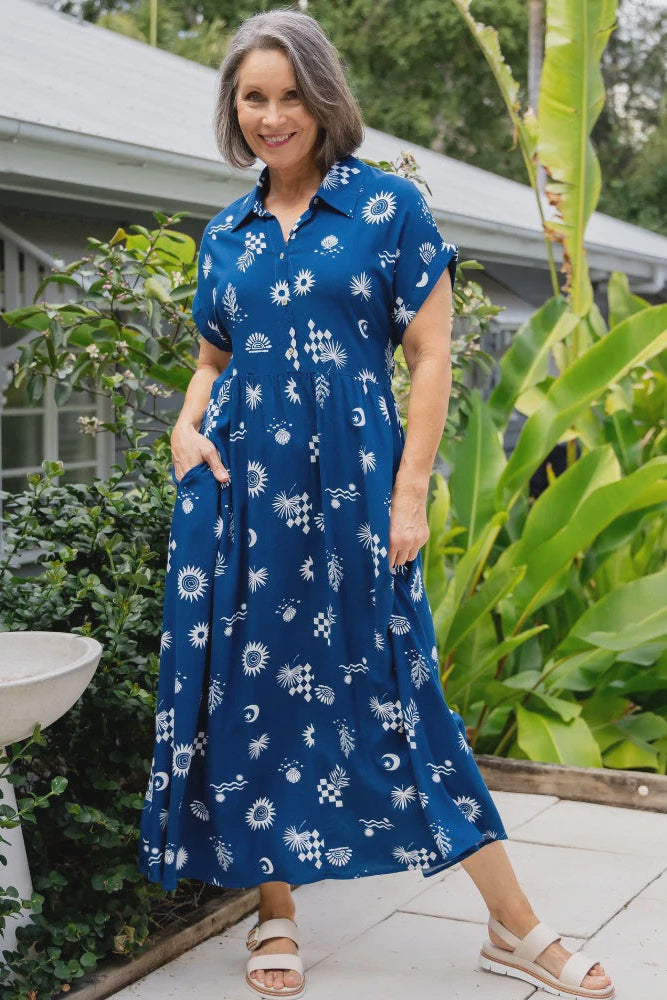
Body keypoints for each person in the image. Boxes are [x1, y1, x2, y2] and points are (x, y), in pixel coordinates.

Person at [137, 9, 614, 1000]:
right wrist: (184, 424)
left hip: (353, 495)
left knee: (404, 691)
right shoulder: (224, 233)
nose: (272, 116)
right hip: (239, 497)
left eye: (289, 95)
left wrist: (409, 496)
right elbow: (213, 358)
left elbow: (430, 355)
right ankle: (275, 909)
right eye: (253, 97)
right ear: (234, 107)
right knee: (253, 696)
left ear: (324, 99)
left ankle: (513, 924)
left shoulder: (385, 209)